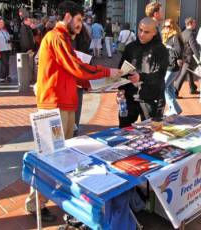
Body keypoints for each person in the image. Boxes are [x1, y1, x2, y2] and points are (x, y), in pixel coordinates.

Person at [25, 1, 122, 222]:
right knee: (50, 158)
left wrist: (98, 82)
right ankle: (35, 203)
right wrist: (107, 71)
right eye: (79, 20)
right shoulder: (56, 37)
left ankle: (41, 200)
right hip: (54, 105)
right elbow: (77, 68)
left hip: (64, 104)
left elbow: (74, 72)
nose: (81, 25)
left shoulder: (64, 39)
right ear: (67, 17)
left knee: (60, 158)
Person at [117, 17, 169, 128]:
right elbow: (121, 71)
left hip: (151, 98)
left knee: (150, 134)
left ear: (154, 32)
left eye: (146, 32)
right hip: (130, 97)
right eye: (140, 30)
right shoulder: (130, 48)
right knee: (125, 131)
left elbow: (160, 75)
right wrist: (120, 90)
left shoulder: (161, 50)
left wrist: (141, 77)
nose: (141, 34)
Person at [162, 18, 184, 116]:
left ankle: (172, 109)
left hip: (173, 67)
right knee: (169, 88)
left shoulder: (175, 37)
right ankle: (175, 109)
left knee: (163, 86)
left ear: (173, 27)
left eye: (168, 26)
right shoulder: (168, 37)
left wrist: (168, 48)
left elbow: (178, 52)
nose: (166, 28)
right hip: (169, 66)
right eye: (165, 26)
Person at [173, 17, 200, 97]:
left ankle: (192, 88)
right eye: (194, 23)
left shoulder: (183, 32)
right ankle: (175, 91)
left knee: (189, 72)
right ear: (190, 24)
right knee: (183, 74)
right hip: (189, 57)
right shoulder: (191, 33)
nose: (195, 25)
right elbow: (193, 47)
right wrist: (199, 58)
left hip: (184, 56)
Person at [0, 18, 12, 83]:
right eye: (0, 22)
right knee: (4, 63)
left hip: (7, 48)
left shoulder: (5, 30)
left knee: (7, 63)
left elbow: (7, 38)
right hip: (1, 49)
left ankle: (7, 75)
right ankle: (2, 77)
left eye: (3, 22)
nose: (2, 24)